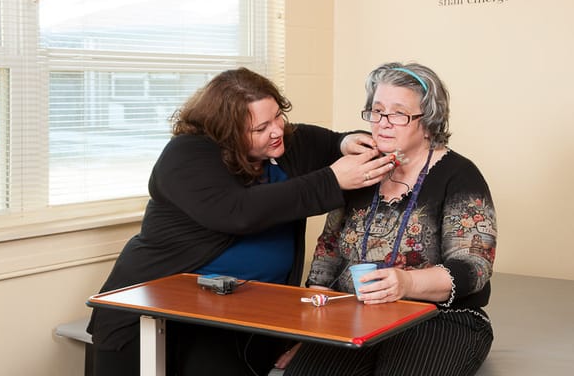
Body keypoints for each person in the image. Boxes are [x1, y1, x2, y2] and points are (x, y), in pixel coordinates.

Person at [87, 67, 396, 376]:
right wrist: (332, 179)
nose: (276, 130)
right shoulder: (186, 156)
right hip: (154, 310)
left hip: (241, 318)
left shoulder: (282, 143)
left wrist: (346, 143)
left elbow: (329, 143)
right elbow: (238, 212)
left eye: (277, 116)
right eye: (260, 128)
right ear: (227, 132)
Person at [279, 62, 497, 376]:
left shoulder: (460, 176)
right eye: (377, 111)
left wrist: (407, 282)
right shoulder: (360, 170)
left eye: (398, 114)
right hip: (354, 315)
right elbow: (328, 254)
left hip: (439, 319)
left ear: (429, 121)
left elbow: (474, 267)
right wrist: (313, 332)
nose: (382, 123)